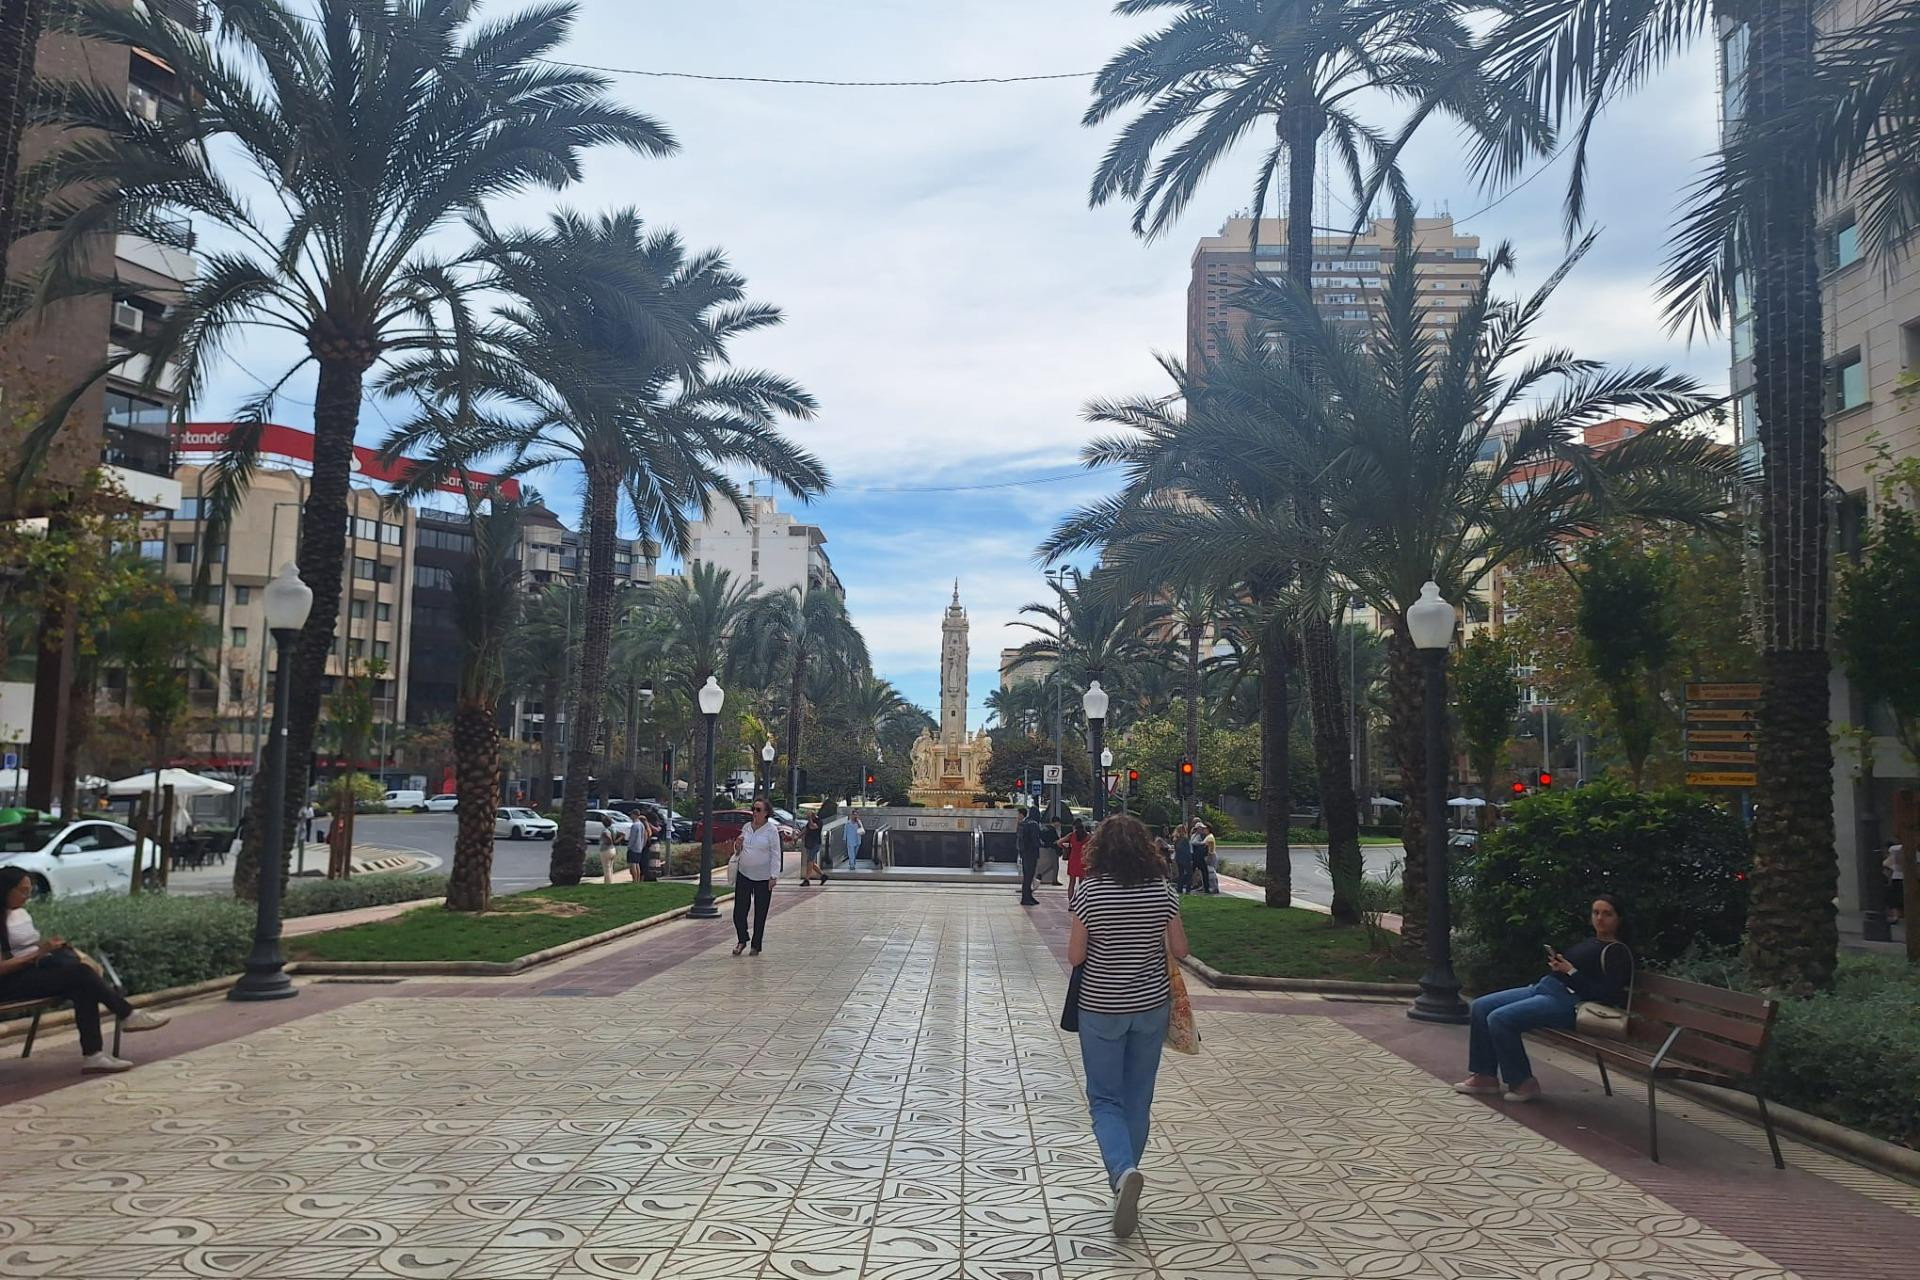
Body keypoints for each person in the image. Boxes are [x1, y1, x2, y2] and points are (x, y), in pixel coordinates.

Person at [1068, 815, 1189, 1238]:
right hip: (1150, 1005)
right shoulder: (1162, 891)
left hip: (1101, 1007)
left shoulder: (1090, 890)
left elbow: (1076, 956)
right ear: (1144, 848)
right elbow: (1181, 948)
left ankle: (1122, 1173)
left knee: (1104, 1099)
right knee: (1138, 1098)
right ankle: (1126, 1176)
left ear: (1101, 848)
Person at [1456, 895, 1634, 1102]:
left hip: (1570, 1003)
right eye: (1596, 913)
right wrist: (1560, 968)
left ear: (1618, 919)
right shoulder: (1592, 942)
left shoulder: (1617, 952)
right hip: (1545, 988)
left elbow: (1606, 995)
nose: (1600, 918)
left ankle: (1523, 1081)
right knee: (1480, 1006)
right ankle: (1485, 1076)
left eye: (1607, 914)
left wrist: (1572, 972)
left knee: (1500, 1019)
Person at [0, 866, 170, 1073]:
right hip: (7, 983)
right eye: (22, 891)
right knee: (81, 975)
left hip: (30, 972)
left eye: (30, 890)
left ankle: (94, 1056)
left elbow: (28, 946)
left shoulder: (18, 913)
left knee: (82, 985)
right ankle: (126, 1014)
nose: (28, 896)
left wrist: (51, 948)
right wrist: (38, 953)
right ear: (5, 890)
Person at [730, 799, 782, 956]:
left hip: (763, 877)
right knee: (739, 911)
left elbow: (775, 853)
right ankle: (742, 939)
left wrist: (774, 876)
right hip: (744, 874)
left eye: (758, 810)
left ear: (766, 813)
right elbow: (739, 850)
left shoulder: (771, 831)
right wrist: (737, 845)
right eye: (754, 809)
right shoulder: (746, 827)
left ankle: (756, 944)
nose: (755, 813)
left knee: (760, 912)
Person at [1016, 805, 1043, 906]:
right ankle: (1026, 898)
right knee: (1029, 876)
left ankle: (1027, 896)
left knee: (1027, 876)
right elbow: (1035, 839)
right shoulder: (1034, 824)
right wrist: (1041, 844)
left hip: (1024, 852)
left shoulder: (1024, 822)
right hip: (1031, 853)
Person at [1064, 818, 1090, 902]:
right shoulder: (1088, 836)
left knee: (1071, 883)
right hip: (1083, 861)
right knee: (1081, 883)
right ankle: (1079, 901)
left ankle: (1070, 903)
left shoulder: (1072, 835)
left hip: (1073, 860)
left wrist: (1067, 846)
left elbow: (1059, 842)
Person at [625, 810, 654, 883]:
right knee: (637, 864)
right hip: (639, 848)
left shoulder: (635, 825)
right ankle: (637, 880)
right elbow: (644, 837)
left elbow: (633, 838)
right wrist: (642, 846)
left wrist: (629, 846)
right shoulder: (641, 825)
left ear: (635, 815)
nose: (630, 816)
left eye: (631, 814)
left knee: (633, 864)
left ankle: (634, 880)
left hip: (634, 848)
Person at [800, 814, 826, 886]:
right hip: (809, 843)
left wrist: (810, 819)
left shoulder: (819, 821)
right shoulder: (810, 822)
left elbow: (812, 827)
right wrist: (797, 837)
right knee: (811, 863)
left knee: (810, 861)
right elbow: (806, 829)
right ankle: (823, 875)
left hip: (815, 844)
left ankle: (807, 879)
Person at [1038, 809, 1063, 886]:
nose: (1059, 824)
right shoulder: (1052, 830)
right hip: (1053, 849)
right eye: (1058, 822)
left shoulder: (1047, 828)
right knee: (1055, 865)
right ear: (1055, 822)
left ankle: (1041, 874)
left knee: (1052, 865)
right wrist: (1055, 842)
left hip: (1049, 848)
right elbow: (1054, 840)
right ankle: (1054, 881)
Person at [1885, 843, 1906, 925]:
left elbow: (1886, 864)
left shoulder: (1894, 850)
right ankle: (1898, 915)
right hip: (1901, 877)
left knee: (1895, 899)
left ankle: (1896, 916)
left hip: (1897, 877)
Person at [1172, 824, 1194, 895]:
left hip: (1179, 859)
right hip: (1185, 859)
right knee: (1189, 874)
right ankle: (1188, 889)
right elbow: (1187, 851)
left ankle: (1179, 888)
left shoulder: (1176, 839)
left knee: (1181, 874)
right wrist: (1190, 859)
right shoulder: (1185, 839)